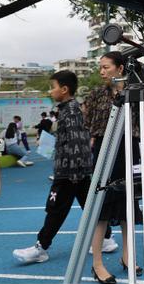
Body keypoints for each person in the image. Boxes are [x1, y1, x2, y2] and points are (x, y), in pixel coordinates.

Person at [12, 71, 93, 266]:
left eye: (52, 86)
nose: (51, 91)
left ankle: (41, 248)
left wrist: (72, 173)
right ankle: (105, 238)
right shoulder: (68, 108)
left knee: (56, 209)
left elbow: (76, 141)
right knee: (89, 206)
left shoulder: (71, 110)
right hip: (76, 171)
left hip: (69, 171)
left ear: (64, 89)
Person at [83, 51, 143, 281]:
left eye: (106, 67)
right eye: (101, 67)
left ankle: (128, 256)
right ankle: (96, 264)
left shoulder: (135, 91)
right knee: (103, 210)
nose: (102, 72)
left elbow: (140, 120)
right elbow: (89, 123)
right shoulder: (98, 94)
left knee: (129, 207)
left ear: (120, 69)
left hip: (130, 149)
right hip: (106, 151)